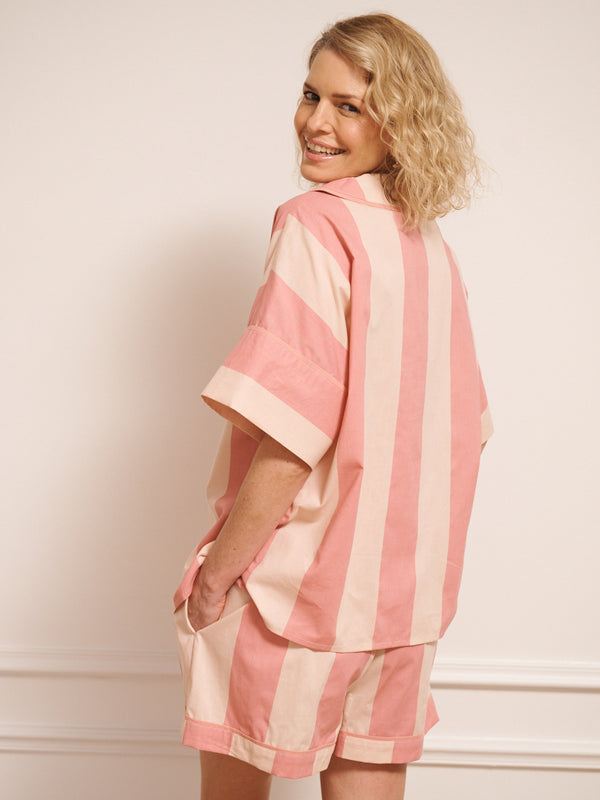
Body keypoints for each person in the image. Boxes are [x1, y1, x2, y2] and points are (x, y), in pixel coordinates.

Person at [173, 13, 492, 800]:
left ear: (400, 116)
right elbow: (466, 428)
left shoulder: (314, 225)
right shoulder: (425, 244)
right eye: (311, 94)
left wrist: (220, 574)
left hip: (297, 595)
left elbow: (291, 428)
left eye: (349, 105)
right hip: (404, 603)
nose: (316, 122)